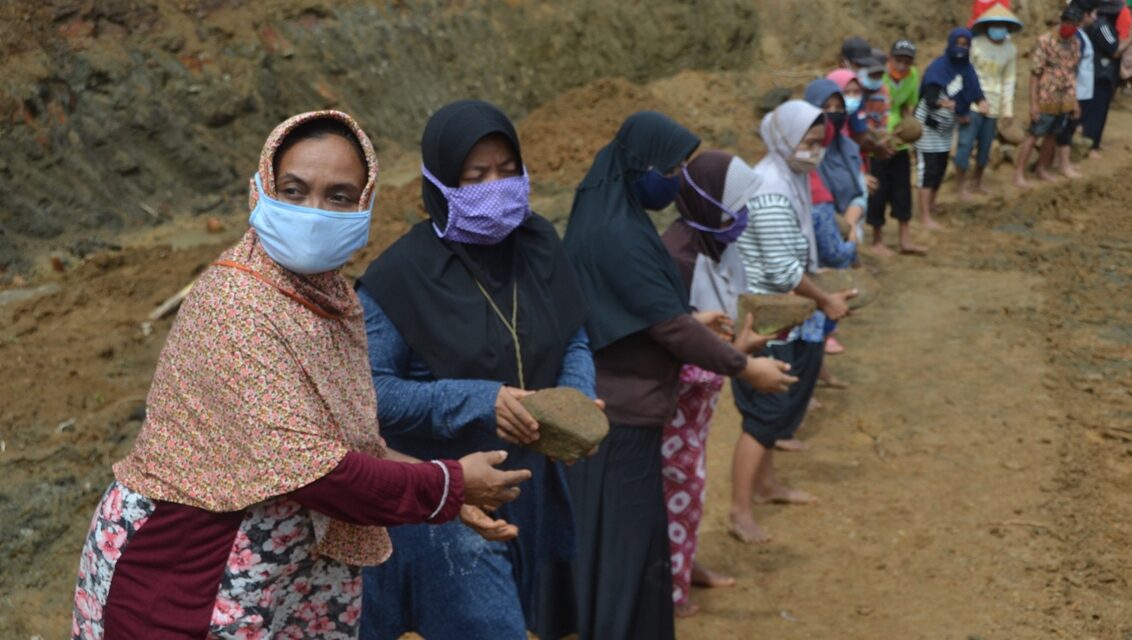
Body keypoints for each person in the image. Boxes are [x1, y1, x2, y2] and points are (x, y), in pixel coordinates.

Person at [71, 111, 530, 639]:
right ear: (261, 190)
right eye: (294, 190)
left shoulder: (329, 301)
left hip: (281, 571)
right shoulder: (238, 305)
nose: (314, 213)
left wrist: (451, 494)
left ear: (365, 205)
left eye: (339, 197)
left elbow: (345, 445)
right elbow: (313, 470)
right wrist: (447, 484)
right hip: (188, 569)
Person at [354, 100, 594, 640]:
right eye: (476, 175)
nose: (496, 188)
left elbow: (574, 334)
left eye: (508, 171)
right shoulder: (399, 278)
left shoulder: (539, 245)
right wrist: (482, 400)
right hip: (442, 499)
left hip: (530, 487)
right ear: (441, 183)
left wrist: (575, 399)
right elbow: (371, 394)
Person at [563, 111, 796, 639]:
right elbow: (664, 325)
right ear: (638, 165)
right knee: (625, 550)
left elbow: (648, 311)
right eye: (669, 169)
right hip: (621, 414)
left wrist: (690, 319)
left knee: (629, 543)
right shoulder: (619, 234)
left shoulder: (616, 218)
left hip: (627, 405)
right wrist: (743, 366)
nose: (675, 180)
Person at [730, 101, 858, 545]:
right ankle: (739, 511)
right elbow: (783, 270)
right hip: (766, 320)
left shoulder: (790, 177)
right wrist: (825, 300)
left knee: (774, 408)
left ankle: (766, 485)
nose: (815, 151)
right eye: (808, 142)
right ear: (784, 139)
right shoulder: (770, 189)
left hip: (781, 315)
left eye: (820, 143)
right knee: (764, 415)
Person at [659, 150, 768, 618]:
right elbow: (669, 337)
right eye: (735, 206)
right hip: (675, 400)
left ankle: (684, 564)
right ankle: (670, 590)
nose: (742, 216)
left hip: (702, 398)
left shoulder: (714, 242)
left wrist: (737, 345)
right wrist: (735, 356)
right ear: (708, 201)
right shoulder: (676, 256)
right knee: (677, 485)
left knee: (691, 484)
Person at [805, 74, 866, 377]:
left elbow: (859, 191)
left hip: (842, 228)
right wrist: (848, 243)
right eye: (826, 107)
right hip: (823, 243)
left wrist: (851, 223)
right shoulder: (807, 159)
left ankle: (820, 367)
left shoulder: (848, 147)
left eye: (838, 106)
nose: (834, 113)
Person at [914, 28, 989, 229]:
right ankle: (924, 215)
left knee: (940, 168)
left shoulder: (967, 69)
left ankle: (931, 204)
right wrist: (943, 103)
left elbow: (974, 90)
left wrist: (981, 102)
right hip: (928, 127)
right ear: (951, 43)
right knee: (928, 169)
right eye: (958, 43)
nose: (961, 48)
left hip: (946, 129)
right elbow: (929, 98)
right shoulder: (939, 68)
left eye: (965, 45)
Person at [958, 4, 1023, 200]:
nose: (998, 28)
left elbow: (1009, 81)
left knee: (985, 147)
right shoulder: (975, 45)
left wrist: (1007, 110)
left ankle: (977, 182)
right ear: (987, 26)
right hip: (973, 104)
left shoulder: (1010, 50)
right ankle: (960, 185)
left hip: (994, 105)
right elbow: (964, 75)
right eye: (995, 24)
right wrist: (963, 104)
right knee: (965, 144)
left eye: (1002, 25)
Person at [1015, 6, 1084, 188]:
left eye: (1074, 24)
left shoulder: (1075, 43)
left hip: (1064, 98)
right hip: (1045, 97)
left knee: (1052, 135)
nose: (1070, 26)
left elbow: (1072, 73)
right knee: (1033, 135)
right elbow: (1035, 74)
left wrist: (1074, 101)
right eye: (1067, 22)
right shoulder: (1045, 41)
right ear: (1062, 21)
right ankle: (1019, 173)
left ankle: (1042, 168)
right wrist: (1033, 103)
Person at [870, 38, 926, 256]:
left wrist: (909, 128)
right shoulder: (878, 75)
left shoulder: (912, 76)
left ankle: (905, 240)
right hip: (877, 142)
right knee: (878, 191)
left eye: (907, 62)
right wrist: (878, 136)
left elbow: (906, 107)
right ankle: (877, 240)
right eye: (898, 60)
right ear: (889, 58)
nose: (902, 66)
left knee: (902, 191)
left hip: (899, 143)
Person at [1053, 3, 1100, 179]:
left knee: (1070, 127)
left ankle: (1060, 162)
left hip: (1083, 89)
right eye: (1092, 14)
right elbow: (1071, 68)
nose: (1094, 17)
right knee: (1067, 127)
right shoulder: (1077, 38)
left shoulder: (1081, 35)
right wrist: (1073, 97)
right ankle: (1063, 165)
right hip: (1076, 90)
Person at [1078, 0, 1122, 158]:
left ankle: (1092, 143)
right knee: (1096, 111)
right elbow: (1114, 50)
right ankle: (1091, 146)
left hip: (1097, 73)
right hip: (1100, 74)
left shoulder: (1099, 25)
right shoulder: (1102, 26)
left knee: (1095, 110)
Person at [841, 36, 896, 160]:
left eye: (865, 66)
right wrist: (877, 149)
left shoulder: (858, 94)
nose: (861, 70)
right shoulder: (834, 91)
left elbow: (860, 130)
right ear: (844, 63)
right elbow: (858, 136)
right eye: (858, 65)